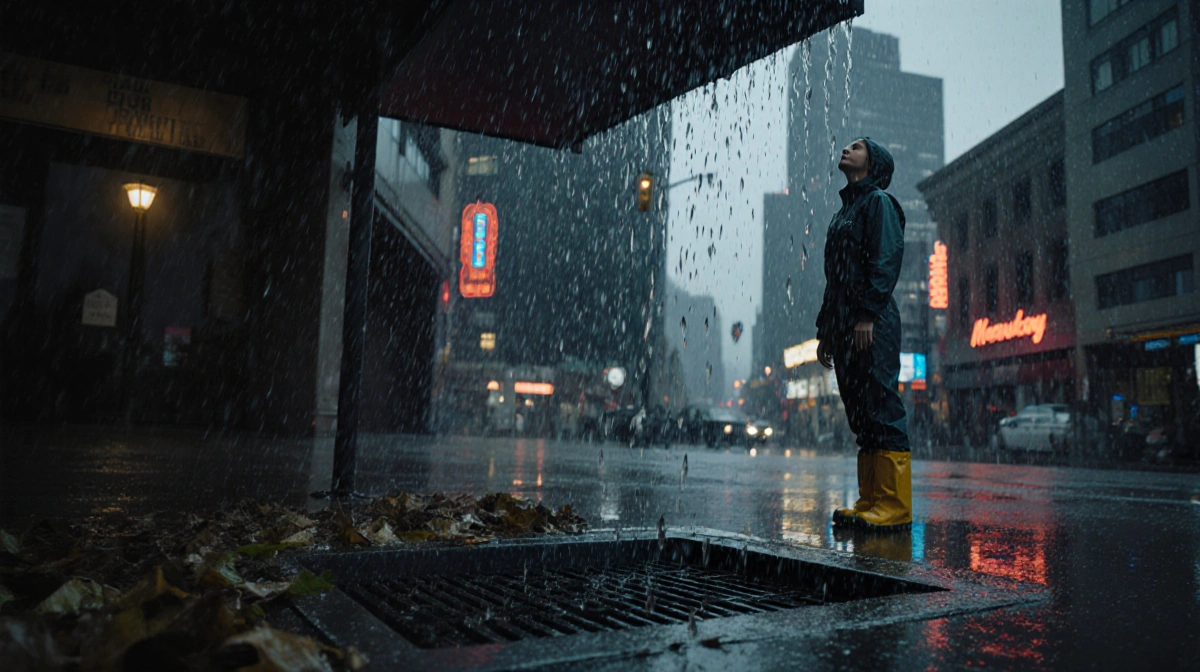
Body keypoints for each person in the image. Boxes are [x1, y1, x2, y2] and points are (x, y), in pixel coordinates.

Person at [816, 138, 912, 531]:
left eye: (857, 147)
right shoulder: (843, 214)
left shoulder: (878, 204)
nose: (846, 149)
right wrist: (826, 331)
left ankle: (894, 505)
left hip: (873, 323)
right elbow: (834, 280)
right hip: (844, 326)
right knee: (860, 411)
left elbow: (886, 259)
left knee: (880, 404)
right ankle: (871, 499)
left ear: (873, 164)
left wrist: (868, 313)